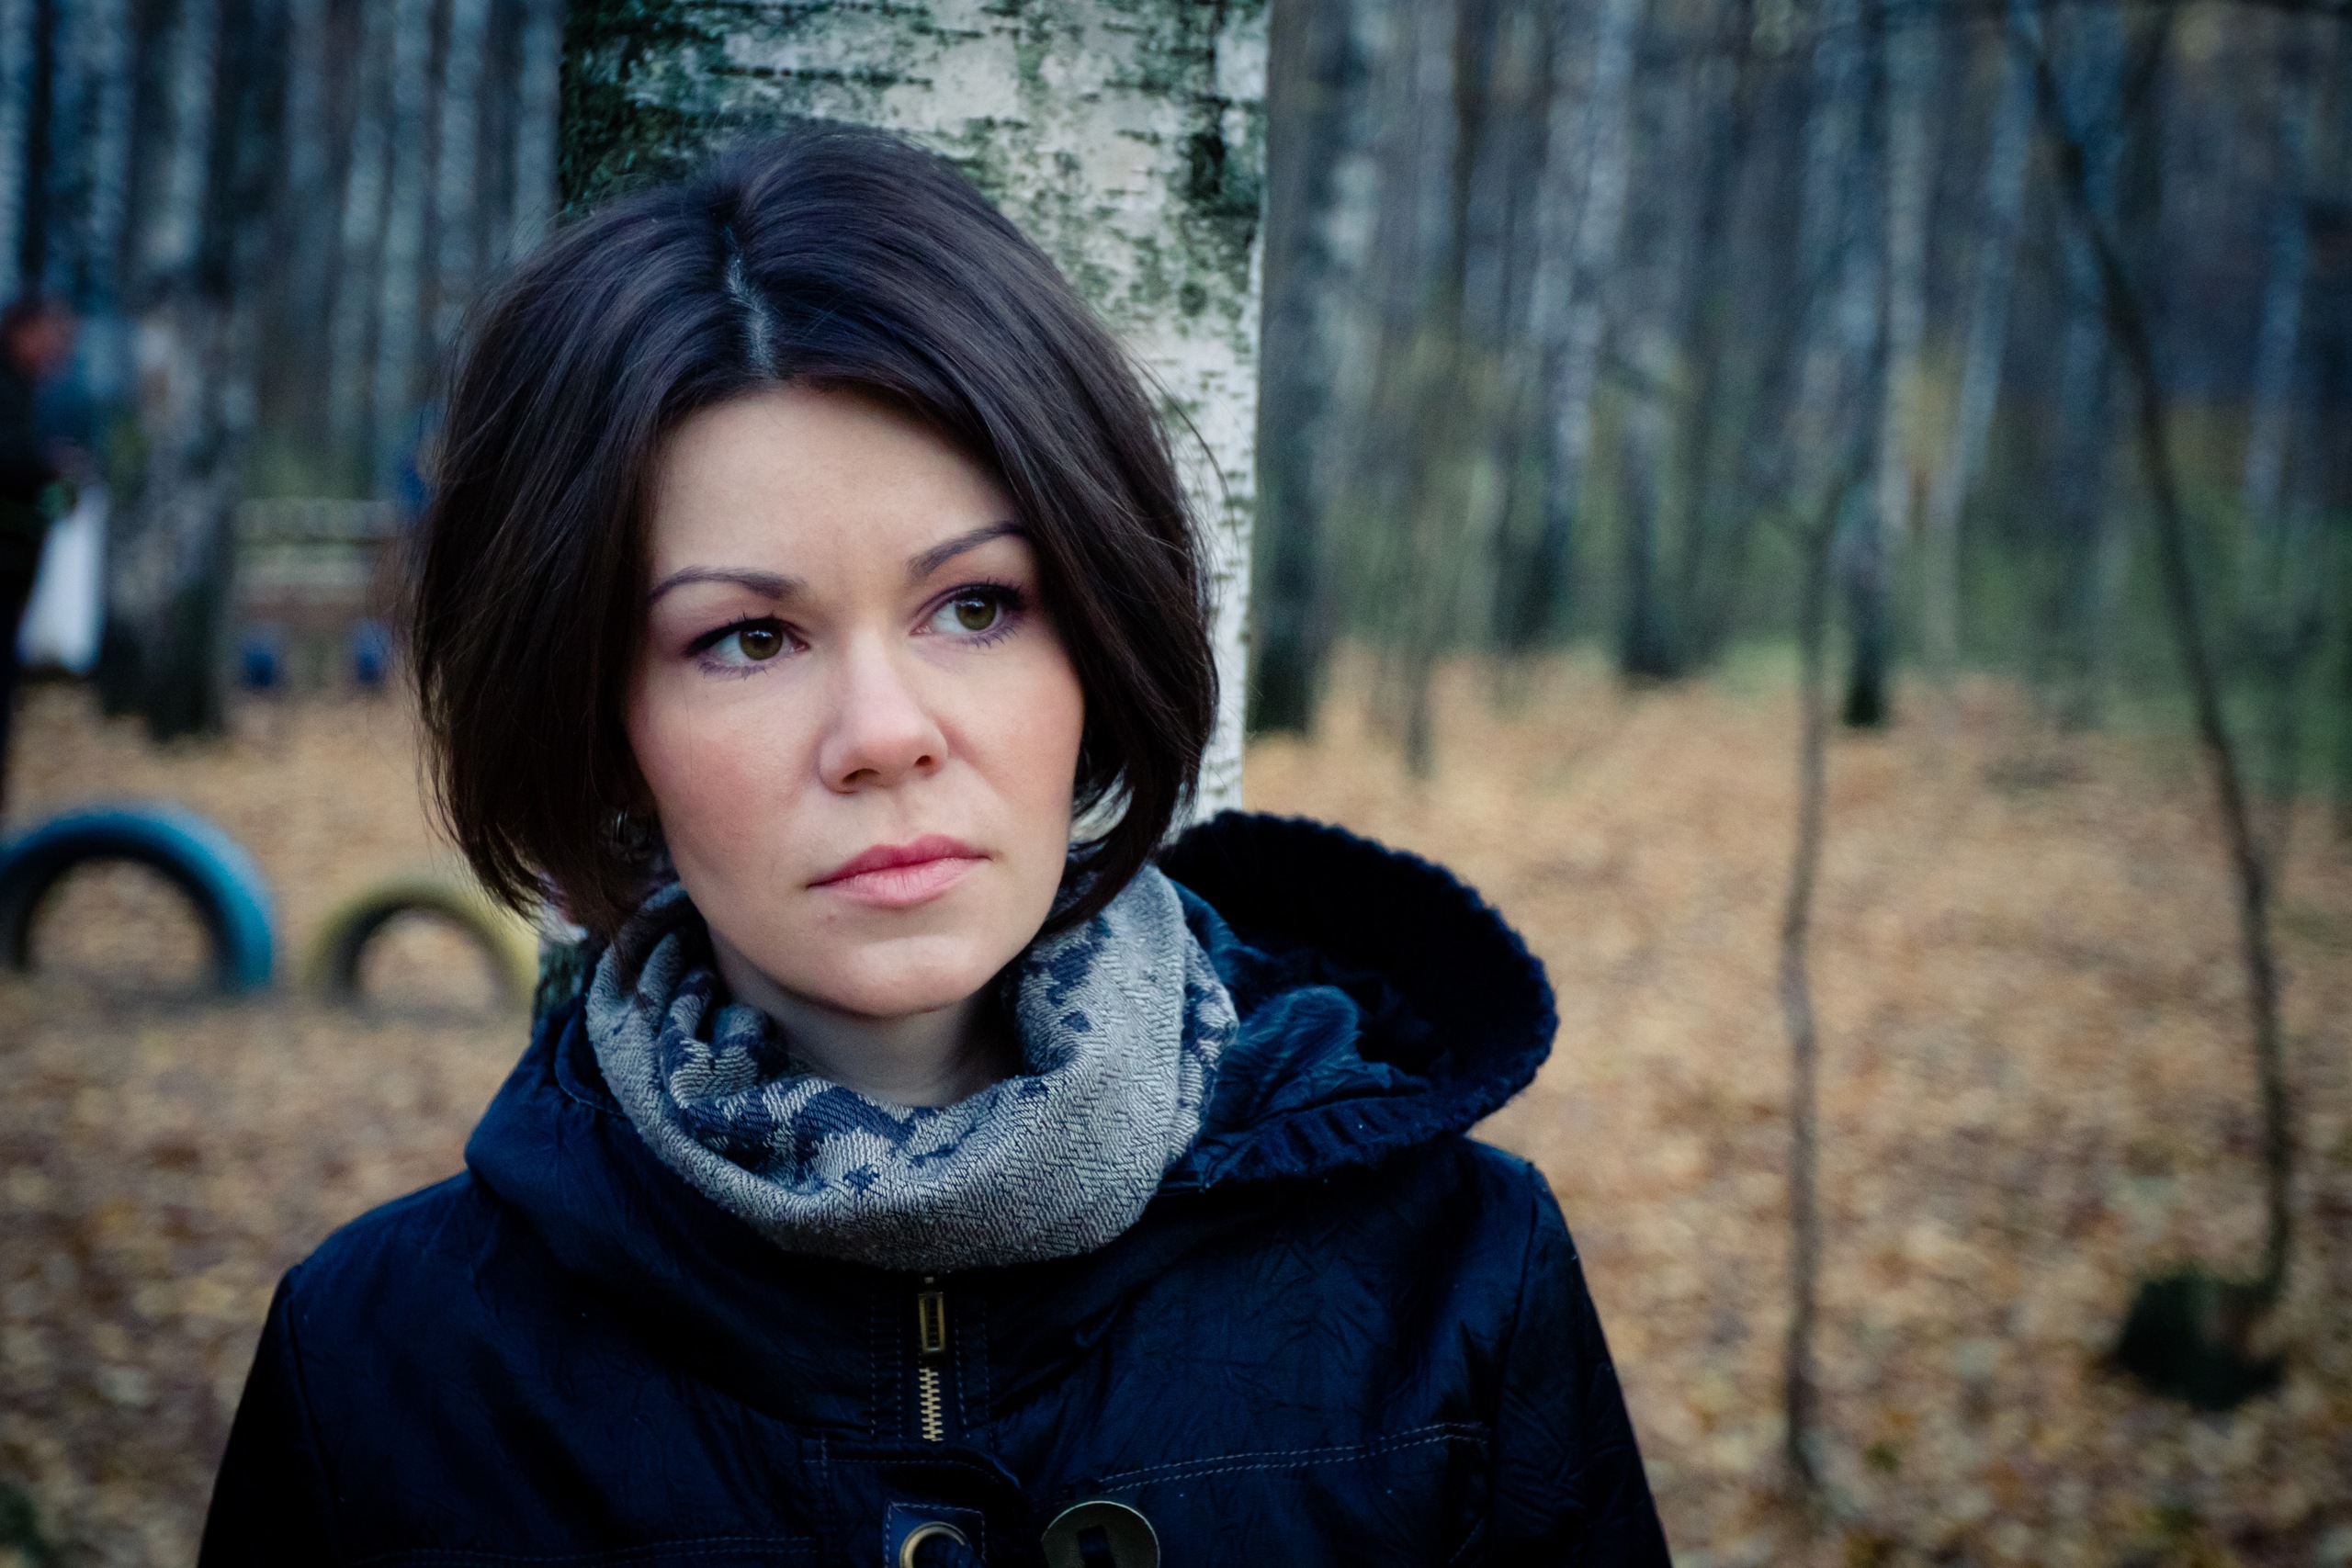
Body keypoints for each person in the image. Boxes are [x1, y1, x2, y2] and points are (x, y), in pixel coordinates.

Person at [199, 128, 1669, 1567]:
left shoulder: (1459, 1288)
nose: (884, 733)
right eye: (748, 636)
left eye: (975, 606)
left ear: (1095, 638)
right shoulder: (376, 1372)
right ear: (602, 724)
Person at [0, 297, 76, 809]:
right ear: (22, 331)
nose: (58, 351)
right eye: (51, 337)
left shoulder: (27, 392)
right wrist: (48, 471)